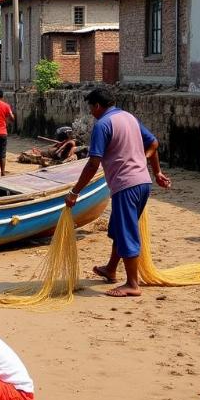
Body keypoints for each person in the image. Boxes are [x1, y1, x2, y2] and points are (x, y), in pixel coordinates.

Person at [65, 87, 171, 298]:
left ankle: (132, 284)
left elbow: (94, 163)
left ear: (97, 106)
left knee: (127, 233)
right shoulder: (128, 117)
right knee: (119, 227)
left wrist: (75, 191)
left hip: (125, 185)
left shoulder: (102, 125)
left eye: (90, 107)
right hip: (143, 183)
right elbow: (154, 143)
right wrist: (156, 171)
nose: (91, 112)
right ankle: (110, 269)